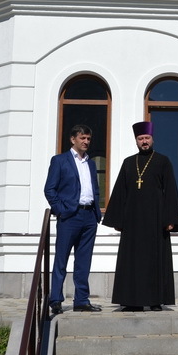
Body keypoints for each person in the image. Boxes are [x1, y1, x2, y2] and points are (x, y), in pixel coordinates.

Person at [103, 121, 178, 311]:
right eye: (140, 139)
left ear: (152, 139)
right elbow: (120, 192)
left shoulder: (163, 161)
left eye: (147, 138)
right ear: (136, 141)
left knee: (155, 260)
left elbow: (170, 190)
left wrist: (170, 219)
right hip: (132, 222)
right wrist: (117, 220)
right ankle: (132, 301)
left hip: (156, 221)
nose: (144, 141)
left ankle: (155, 301)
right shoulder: (129, 163)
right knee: (132, 261)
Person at [44, 124, 103, 315]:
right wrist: (61, 210)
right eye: (82, 138)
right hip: (69, 216)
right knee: (61, 259)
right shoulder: (60, 161)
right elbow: (49, 189)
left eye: (88, 139)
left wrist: (96, 212)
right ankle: (55, 299)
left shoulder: (91, 163)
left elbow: (94, 188)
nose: (86, 142)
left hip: (89, 216)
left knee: (84, 261)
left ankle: (82, 300)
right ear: (73, 139)